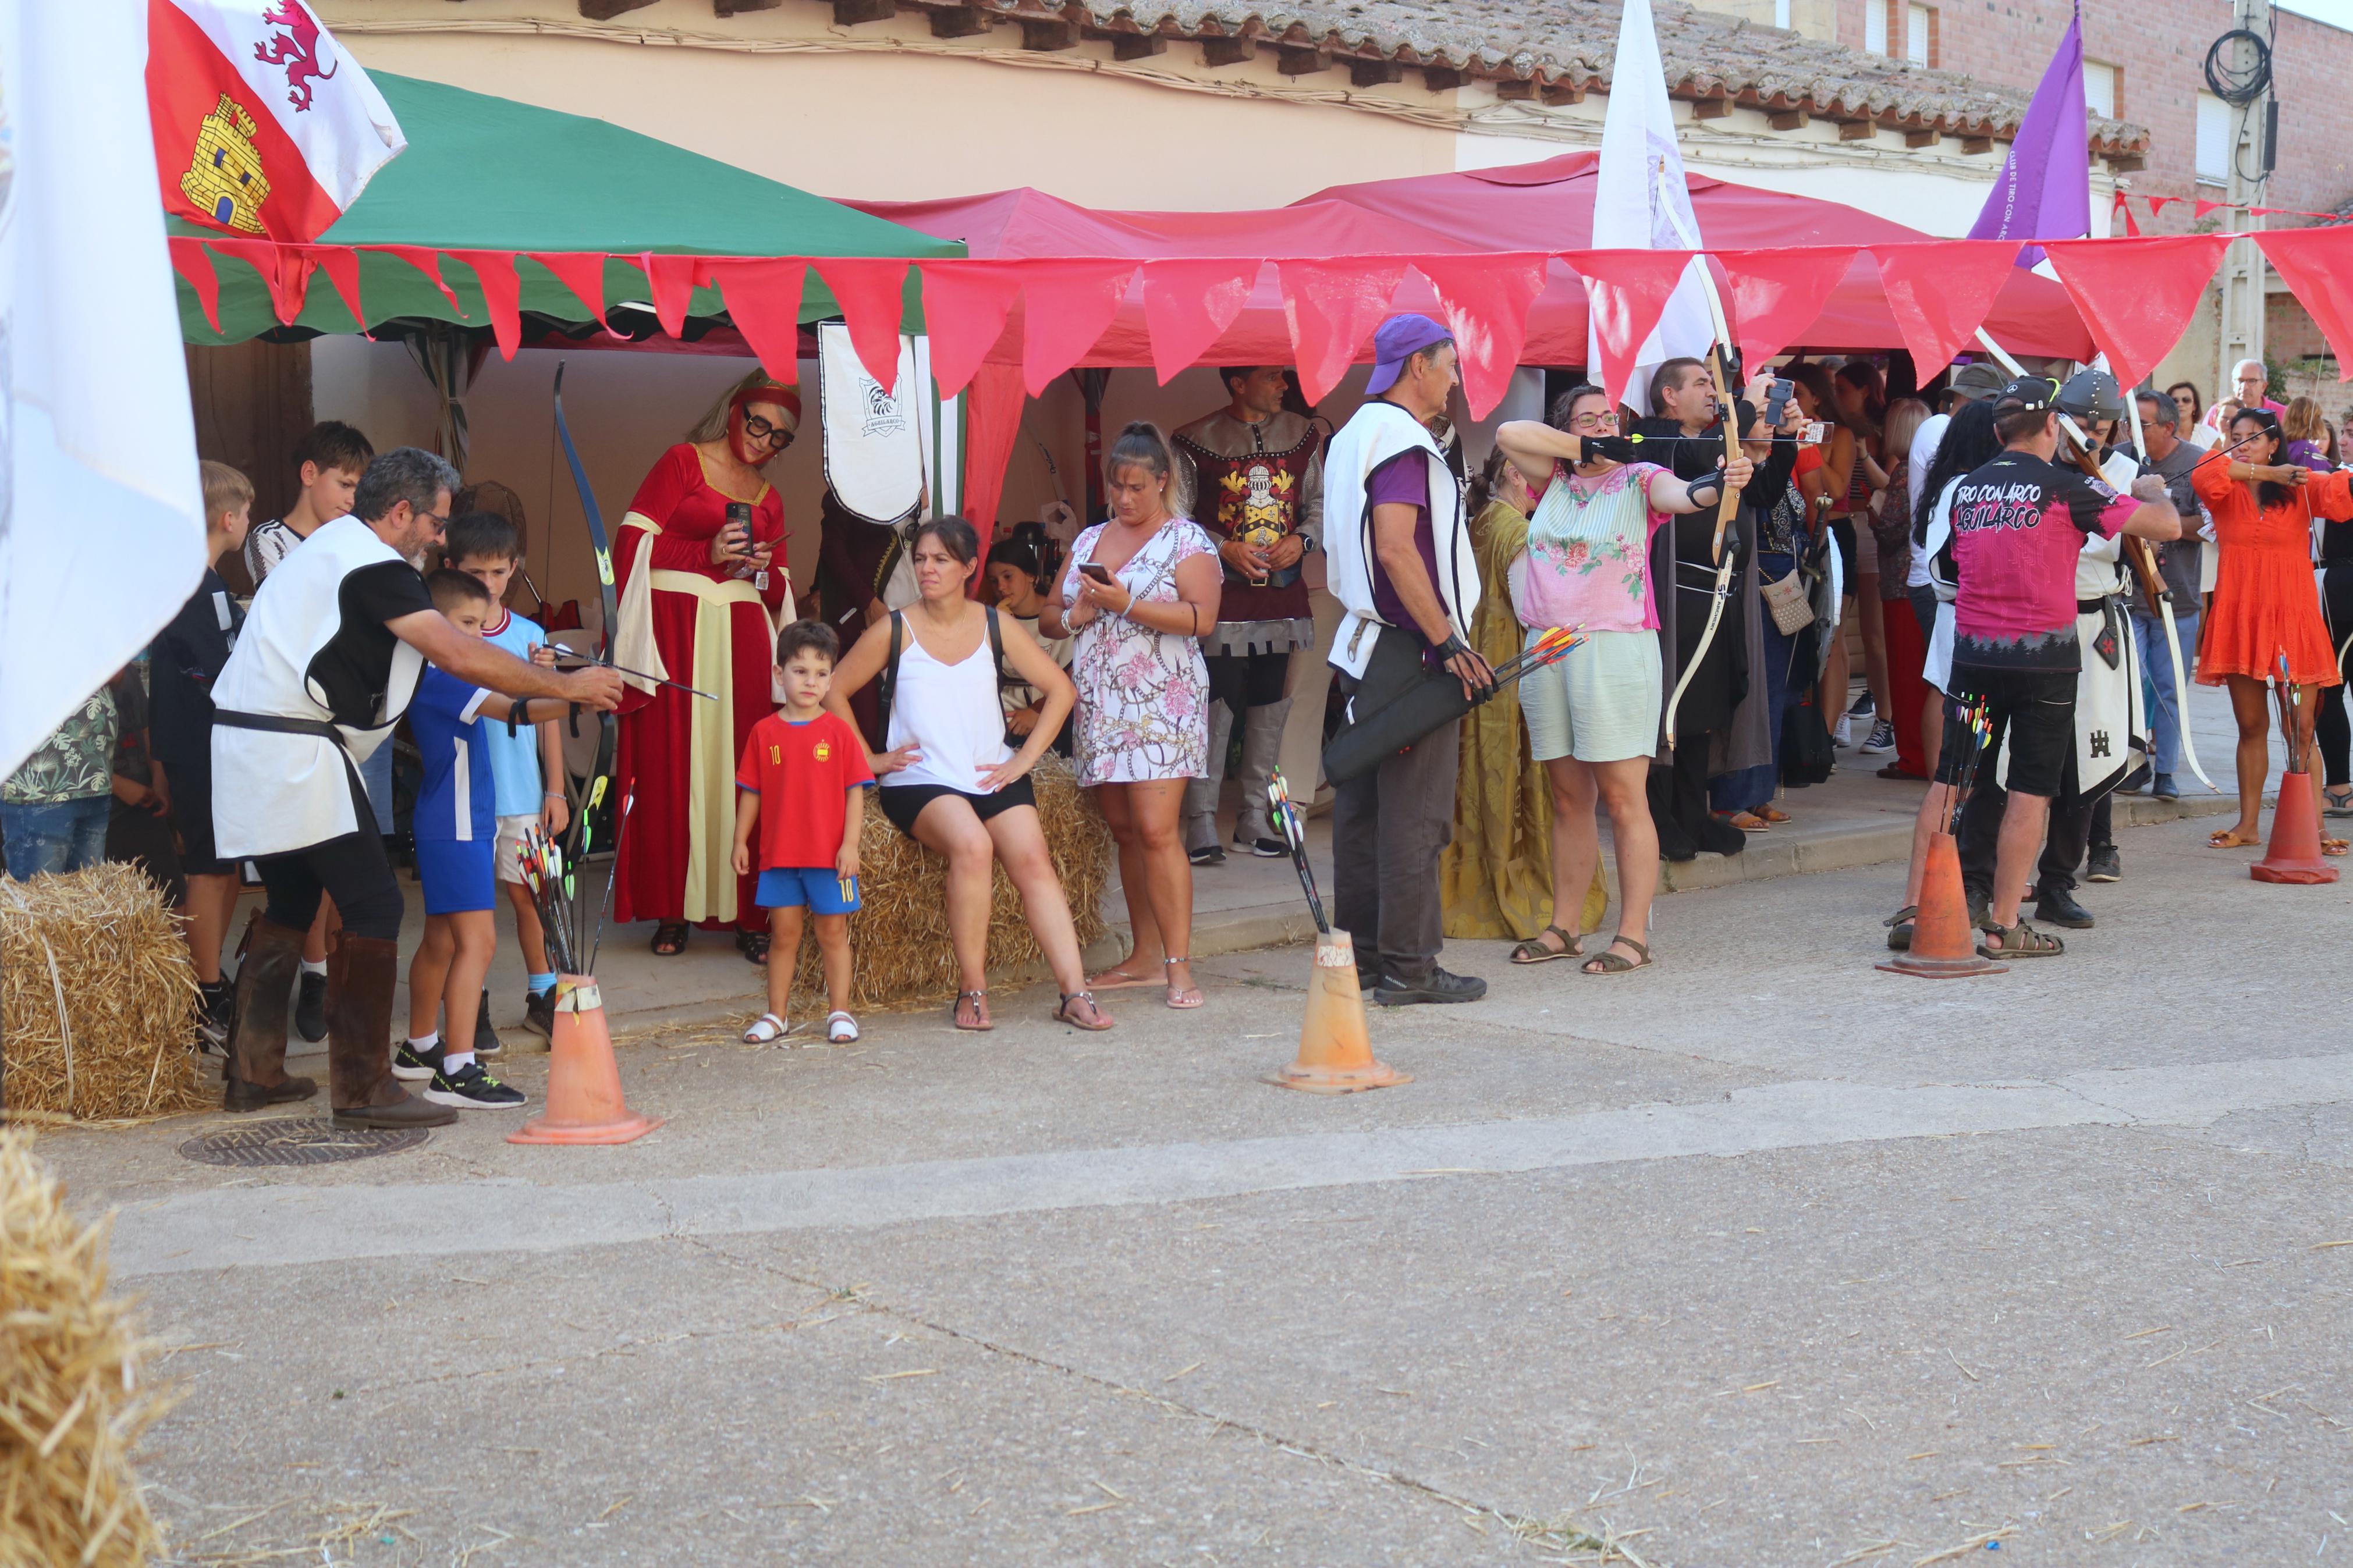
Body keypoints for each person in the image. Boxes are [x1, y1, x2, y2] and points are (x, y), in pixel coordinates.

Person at [210, 447, 621, 1126]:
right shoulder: (374, 564)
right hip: (289, 746)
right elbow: (459, 653)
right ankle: (365, 1086)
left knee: (291, 897)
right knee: (372, 902)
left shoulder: (335, 549)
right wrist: (566, 684)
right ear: (401, 513)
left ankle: (254, 1072)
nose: (440, 538)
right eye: (435, 523)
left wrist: (561, 691)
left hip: (265, 743)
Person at [1901, 377, 2178, 960]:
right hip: (2043, 668)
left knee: (1952, 778)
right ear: (2052, 426)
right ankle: (2004, 925)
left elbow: (1945, 572)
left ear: (1999, 430)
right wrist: (2154, 490)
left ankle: (1919, 907)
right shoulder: (2067, 488)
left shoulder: (1965, 488)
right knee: (2029, 791)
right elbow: (2164, 528)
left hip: (1975, 661)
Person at [1490, 387, 1752, 975]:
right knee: (1567, 796)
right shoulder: (1552, 476)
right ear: (1567, 432)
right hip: (1547, 646)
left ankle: (1631, 934)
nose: (1605, 426)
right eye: (1589, 418)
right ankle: (1564, 925)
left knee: (1620, 796)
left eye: (1611, 418)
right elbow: (1508, 433)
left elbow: (1686, 496)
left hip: (1612, 645)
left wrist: (1721, 481)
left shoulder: (1639, 477)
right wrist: (1585, 446)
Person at [826, 517, 1108, 1032]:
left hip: (988, 770)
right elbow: (833, 690)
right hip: (922, 778)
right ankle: (973, 989)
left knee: (1034, 860)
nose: (927, 569)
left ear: (968, 568)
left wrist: (1023, 760)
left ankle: (1074, 991)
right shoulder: (893, 627)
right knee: (973, 846)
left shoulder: (994, 624)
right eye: (922, 559)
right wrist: (867, 758)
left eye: (940, 560)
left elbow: (1061, 692)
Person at [1321, 315, 1492, 1004]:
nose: (1455, 378)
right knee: (1413, 815)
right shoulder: (1397, 438)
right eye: (1449, 364)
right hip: (1410, 646)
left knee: (1362, 809)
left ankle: (1363, 956)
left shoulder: (1353, 433)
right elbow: (1395, 548)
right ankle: (1409, 966)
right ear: (1416, 366)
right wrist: (1446, 639)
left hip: (1366, 643)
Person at [612, 371, 801, 961]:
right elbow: (630, 544)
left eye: (780, 438)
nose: (766, 441)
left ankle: (749, 912)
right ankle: (673, 909)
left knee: (743, 769)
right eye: (759, 424)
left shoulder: (769, 499)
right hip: (676, 629)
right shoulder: (681, 462)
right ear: (736, 410)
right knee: (672, 764)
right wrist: (705, 552)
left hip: (742, 634)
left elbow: (779, 594)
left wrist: (760, 569)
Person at [1041, 422, 1221, 1010]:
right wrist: (1078, 612)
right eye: (1116, 485)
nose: (1123, 497)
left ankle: (1178, 966)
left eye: (1136, 486)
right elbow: (1046, 614)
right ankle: (1144, 956)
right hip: (1101, 705)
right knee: (1124, 830)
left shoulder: (1186, 540)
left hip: (1162, 706)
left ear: (1162, 482)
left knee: (1156, 830)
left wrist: (1128, 605)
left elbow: (1201, 620)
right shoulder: (1091, 537)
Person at [387, 570, 552, 1111]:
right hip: (456, 823)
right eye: (465, 624)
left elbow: (515, 693)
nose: (477, 636)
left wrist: (550, 679)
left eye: (482, 626)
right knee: (478, 942)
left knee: (442, 940)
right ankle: (457, 1068)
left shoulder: (445, 673)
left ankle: (419, 1048)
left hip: (459, 821)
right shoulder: (445, 677)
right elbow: (515, 708)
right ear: (434, 626)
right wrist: (577, 694)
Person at [242, 420, 378, 1043]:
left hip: (345, 718)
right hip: (292, 717)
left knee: (335, 849)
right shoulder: (271, 538)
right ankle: (308, 972)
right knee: (303, 856)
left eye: (359, 487)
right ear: (309, 475)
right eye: (344, 483)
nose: (352, 498)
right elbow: (308, 611)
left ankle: (319, 974)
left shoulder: (350, 540)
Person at [1442, 450, 1609, 942]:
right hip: (1514, 668)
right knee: (1522, 778)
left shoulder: (1483, 519)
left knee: (1474, 777)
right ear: (1516, 473)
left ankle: (1469, 879)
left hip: (1480, 663)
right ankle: (1524, 885)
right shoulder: (1517, 529)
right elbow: (1532, 607)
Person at [1171, 366, 1325, 865]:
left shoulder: (1303, 434)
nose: (1283, 385)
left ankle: (1253, 817)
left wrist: (1300, 541)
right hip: (1221, 595)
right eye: (1270, 377)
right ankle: (1200, 820)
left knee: (1269, 698)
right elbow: (1178, 513)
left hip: (1281, 594)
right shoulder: (1194, 440)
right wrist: (1222, 546)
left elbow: (1320, 503)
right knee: (1216, 700)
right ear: (1237, 382)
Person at [2192, 407, 2353, 852]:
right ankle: (2246, 825)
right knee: (2250, 725)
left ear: (2273, 442)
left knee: (2300, 729)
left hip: (2293, 618)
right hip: (2240, 616)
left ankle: (2314, 828)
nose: (2242, 442)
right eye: (2235, 435)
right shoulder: (2223, 480)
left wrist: (2290, 476)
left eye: (2253, 436)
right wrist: (2266, 471)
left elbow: (2342, 492)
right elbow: (2206, 473)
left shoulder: (2299, 484)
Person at [1631, 360, 1769, 861]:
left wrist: (1770, 444)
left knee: (1703, 710)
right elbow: (1698, 457)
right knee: (1671, 707)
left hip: (1719, 593)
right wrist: (1746, 404)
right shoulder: (1654, 437)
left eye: (1714, 384)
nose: (1713, 392)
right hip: (1676, 596)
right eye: (1702, 383)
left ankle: (1693, 814)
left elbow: (1764, 493)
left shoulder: (1716, 443)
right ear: (1669, 395)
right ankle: (1659, 819)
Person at [443, 511, 570, 1047]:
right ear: (450, 569)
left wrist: (556, 788)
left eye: (498, 572)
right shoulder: (442, 635)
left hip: (522, 792)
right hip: (466, 792)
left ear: (513, 569)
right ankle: (473, 1006)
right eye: (476, 572)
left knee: (532, 897)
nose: (488, 584)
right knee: (469, 906)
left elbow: (551, 717)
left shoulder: (531, 635)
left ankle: (543, 995)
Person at [732, 620, 872, 1047]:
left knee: (832, 934)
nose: (811, 681)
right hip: (779, 857)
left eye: (820, 673)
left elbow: (856, 793)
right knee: (783, 936)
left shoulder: (839, 731)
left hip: (829, 858)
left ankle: (840, 1011)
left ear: (830, 677)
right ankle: (776, 1015)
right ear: (780, 674)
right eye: (800, 671)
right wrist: (741, 839)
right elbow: (752, 791)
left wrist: (850, 845)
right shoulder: (763, 732)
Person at [152, 460, 253, 1046]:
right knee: (208, 870)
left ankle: (210, 975)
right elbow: (222, 669)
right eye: (247, 514)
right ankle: (203, 993)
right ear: (227, 517)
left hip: (207, 747)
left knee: (225, 864)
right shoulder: (198, 584)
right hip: (201, 748)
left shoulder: (198, 582)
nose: (249, 524)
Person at [1708, 392, 1809, 827]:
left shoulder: (1771, 465)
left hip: (1785, 584)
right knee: (1751, 690)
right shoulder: (1732, 465)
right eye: (1761, 413)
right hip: (1755, 582)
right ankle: (1731, 796)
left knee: (1780, 692)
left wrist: (1786, 436)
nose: (1769, 420)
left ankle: (1759, 791)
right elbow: (1761, 501)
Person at [2117, 389, 2206, 805]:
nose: (2131, 432)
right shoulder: (2120, 457)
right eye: (2128, 423)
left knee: (2170, 686)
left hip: (2177, 595)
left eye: (2142, 425)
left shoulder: (2196, 461)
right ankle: (2134, 763)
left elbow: (2208, 525)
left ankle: (2166, 769)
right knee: (2129, 685)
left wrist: (2159, 518)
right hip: (2125, 595)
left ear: (2169, 427)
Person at [1786, 364, 1866, 747]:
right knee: (1799, 632)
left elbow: (1834, 489)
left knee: (1830, 636)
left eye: (1798, 393)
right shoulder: (1782, 432)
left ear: (1817, 397)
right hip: (1794, 534)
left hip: (1832, 532)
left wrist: (1811, 447)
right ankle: (1801, 729)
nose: (1791, 401)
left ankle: (1826, 733)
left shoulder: (1842, 434)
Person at [816, 488, 917, 748]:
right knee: (867, 722)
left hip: (916, 609)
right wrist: (867, 602)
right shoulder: (850, 481)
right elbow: (832, 548)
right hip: (863, 615)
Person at [1832, 360, 1898, 755]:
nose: (1838, 397)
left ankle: (1884, 719)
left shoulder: (1877, 434)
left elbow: (1887, 489)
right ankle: (1838, 712)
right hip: (1846, 526)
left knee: (1873, 634)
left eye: (1843, 389)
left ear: (1863, 391)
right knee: (1836, 626)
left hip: (1868, 530)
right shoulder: (1838, 430)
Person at [1871, 399, 1933, 780]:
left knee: (1906, 673)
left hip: (1901, 583)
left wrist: (1872, 514)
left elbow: (1892, 530)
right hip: (1929, 584)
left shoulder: (1904, 473)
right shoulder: (1935, 469)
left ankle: (1913, 754)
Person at [2, 687, 118, 879]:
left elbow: (118, 672)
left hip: (94, 778)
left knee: (89, 903)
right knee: (39, 902)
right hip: (39, 789)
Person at [985, 528, 1073, 748]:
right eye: (994, 581)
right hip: (1004, 715)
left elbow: (1074, 677)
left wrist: (1037, 711)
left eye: (1008, 576)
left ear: (1031, 576)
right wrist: (993, 630)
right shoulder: (989, 619)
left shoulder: (1057, 617)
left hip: (1051, 712)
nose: (1001, 587)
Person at [2205, 359, 2284, 434]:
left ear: (2264, 386)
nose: (2245, 387)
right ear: (2233, 385)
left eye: (2252, 381)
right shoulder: (2217, 412)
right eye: (2240, 381)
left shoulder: (2283, 414)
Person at [2283, 396, 2337, 472]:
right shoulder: (2307, 449)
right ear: (2312, 420)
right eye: (2319, 417)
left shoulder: (2283, 446)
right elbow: (2317, 481)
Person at [2166, 381, 2216, 450]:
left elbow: (2222, 460)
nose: (2180, 404)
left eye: (2186, 400)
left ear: (2195, 406)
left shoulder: (2209, 435)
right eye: (2175, 401)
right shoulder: (2161, 434)